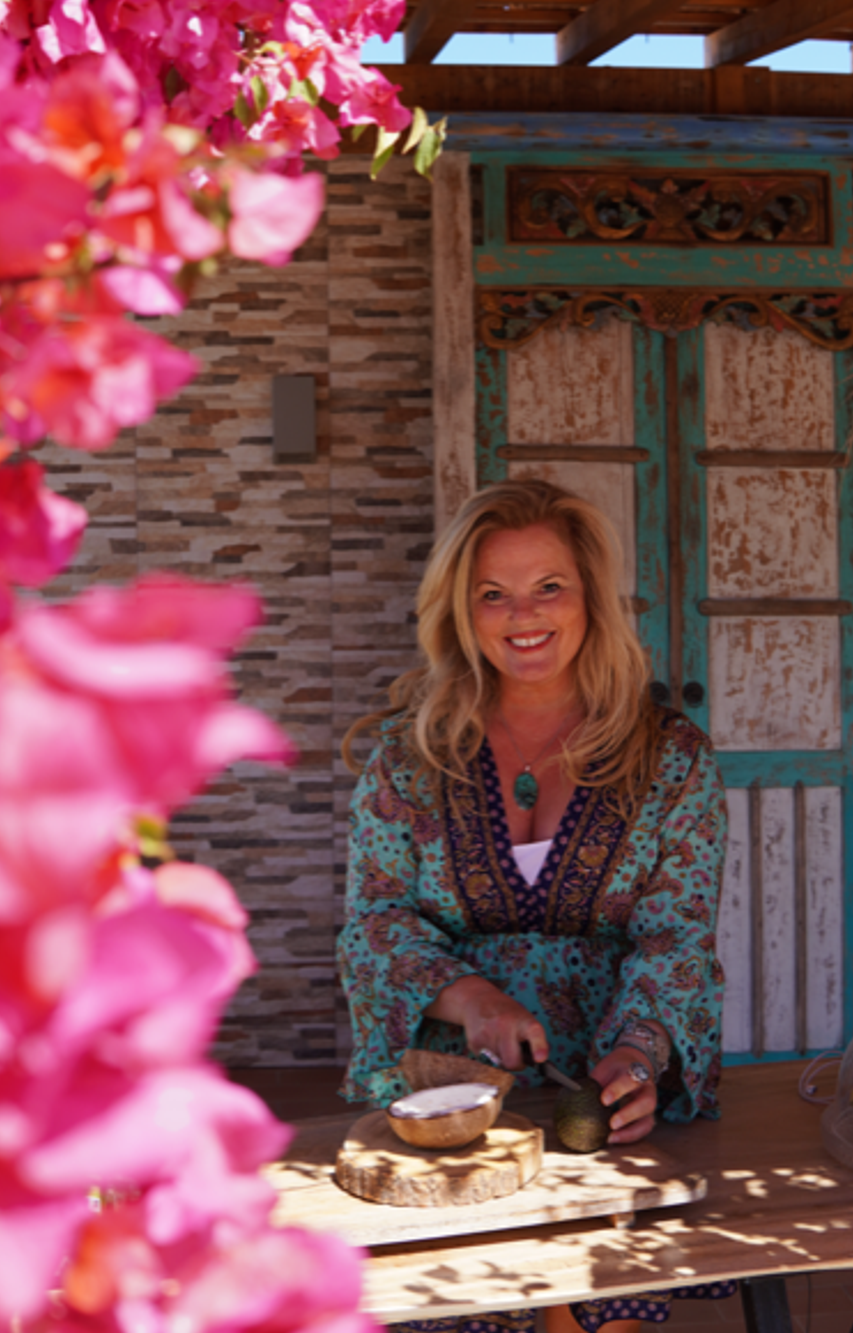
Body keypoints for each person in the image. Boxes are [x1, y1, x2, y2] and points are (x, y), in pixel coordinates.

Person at [336, 478, 730, 1333]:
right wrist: (474, 999)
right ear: (459, 609)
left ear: (590, 595)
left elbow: (675, 935)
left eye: (549, 585)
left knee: (595, 1302)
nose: (524, 615)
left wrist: (636, 1051)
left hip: (598, 1088)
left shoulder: (672, 760)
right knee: (465, 1302)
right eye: (493, 593)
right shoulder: (410, 760)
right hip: (454, 1099)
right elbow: (374, 921)